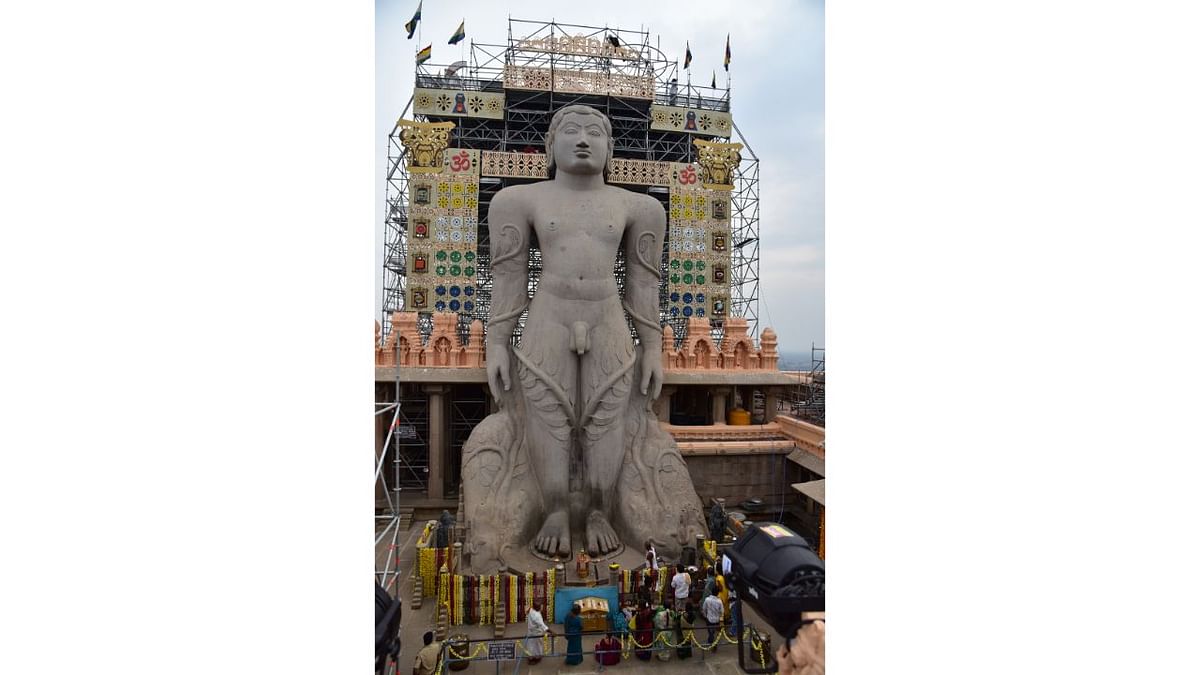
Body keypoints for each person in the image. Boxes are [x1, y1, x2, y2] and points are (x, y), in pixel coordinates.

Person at [486, 104, 666, 558]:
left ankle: (601, 509)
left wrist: (653, 348)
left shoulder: (639, 207)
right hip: (550, 312)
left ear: (610, 149)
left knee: (608, 412)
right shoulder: (518, 201)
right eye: (570, 130)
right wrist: (496, 343)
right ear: (549, 145)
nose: (583, 139)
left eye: (594, 132)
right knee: (547, 411)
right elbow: (508, 276)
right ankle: (556, 510)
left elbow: (644, 282)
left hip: (606, 314)